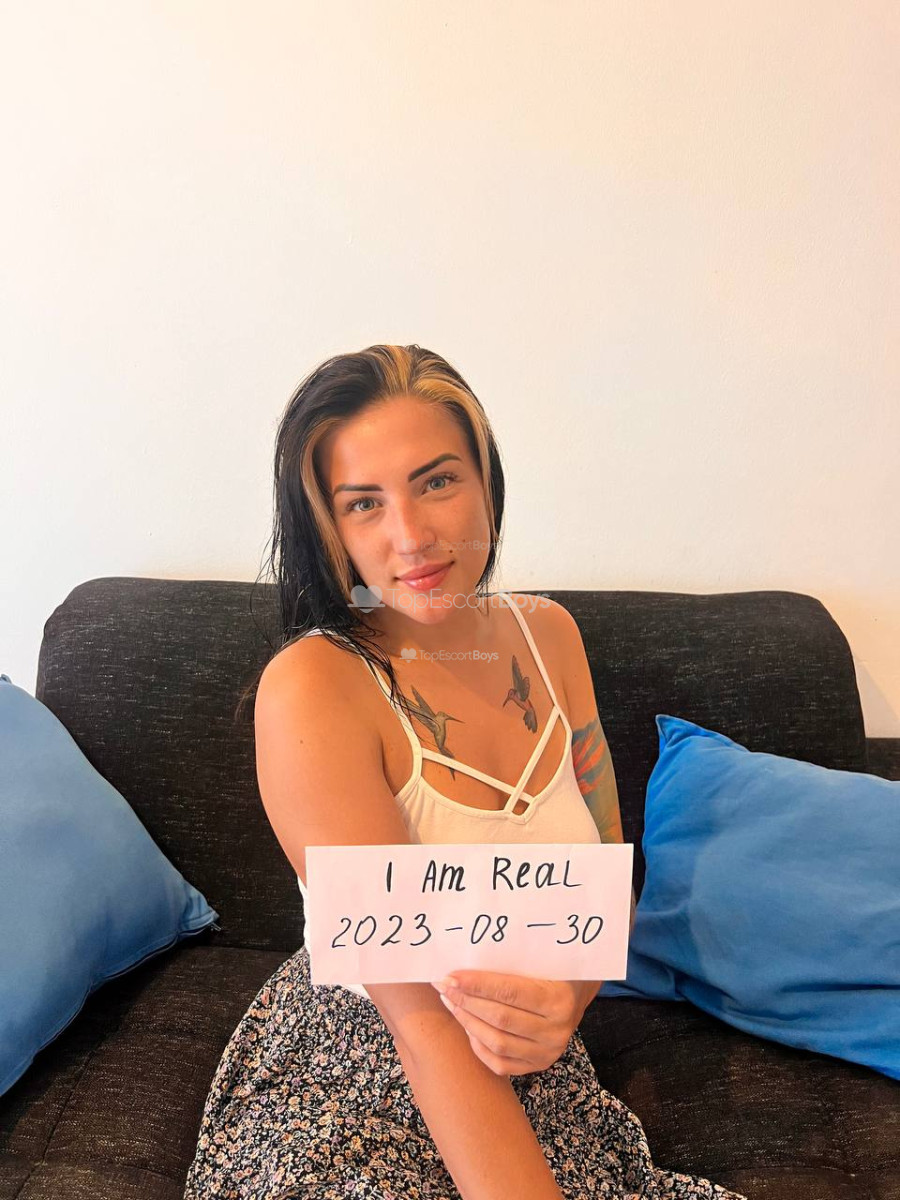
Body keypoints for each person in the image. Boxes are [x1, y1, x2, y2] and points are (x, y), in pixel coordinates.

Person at [183, 344, 746, 1200]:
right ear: (329, 528)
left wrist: (568, 999)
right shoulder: (313, 686)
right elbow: (421, 1024)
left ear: (487, 480)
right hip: (362, 1067)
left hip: (533, 1062)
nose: (410, 535)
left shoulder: (550, 636)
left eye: (437, 481)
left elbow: (605, 883)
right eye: (363, 503)